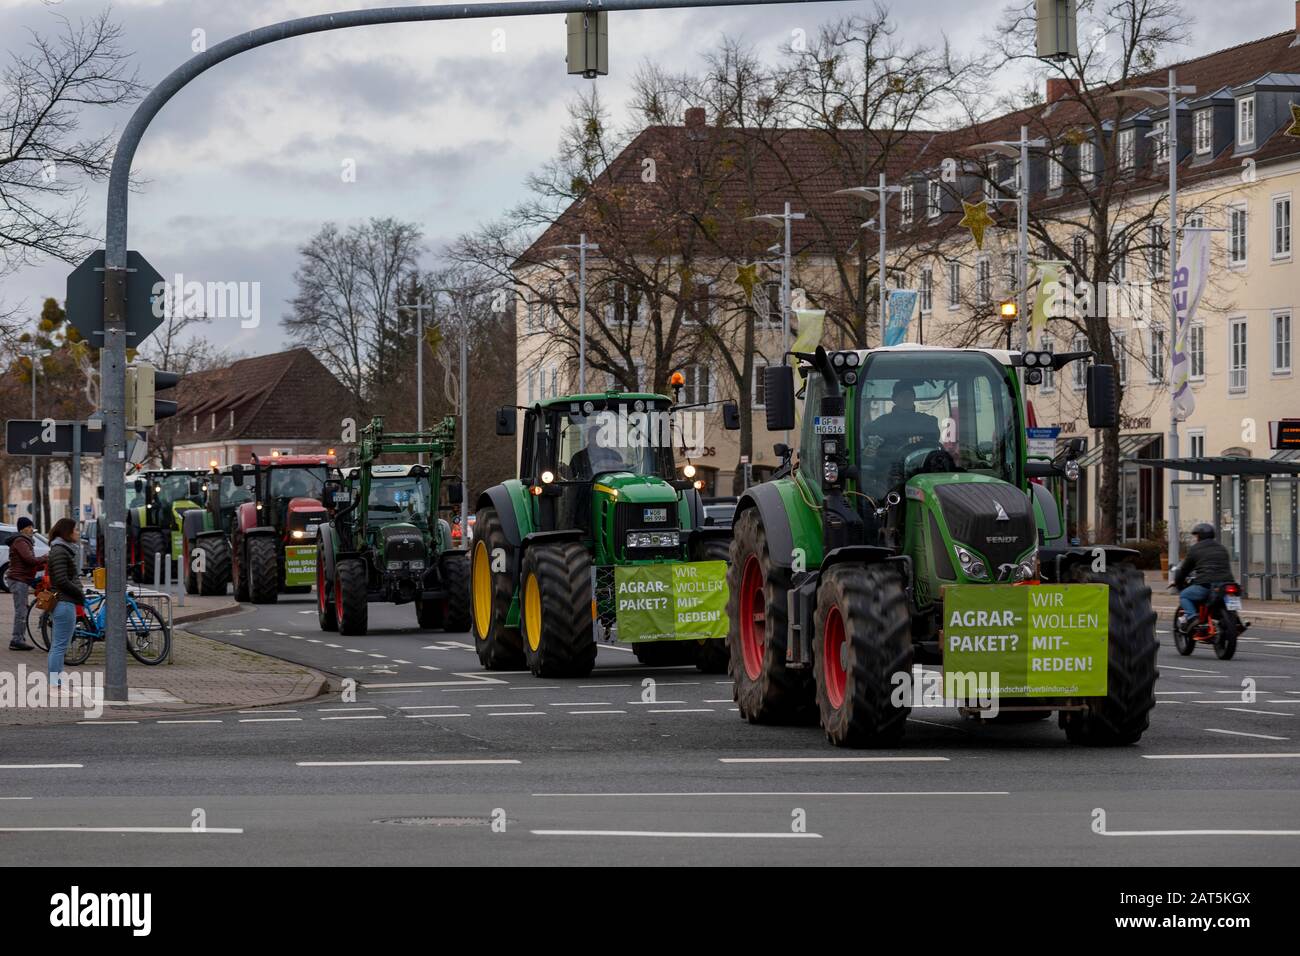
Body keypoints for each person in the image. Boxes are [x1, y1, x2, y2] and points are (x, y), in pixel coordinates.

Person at [1173, 522, 1234, 634]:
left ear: (1200, 536)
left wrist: (1178, 582)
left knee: (1184, 595)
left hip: (1207, 584)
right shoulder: (1222, 548)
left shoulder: (1195, 549)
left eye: (1196, 536)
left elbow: (1185, 569)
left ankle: (1192, 618)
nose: (1195, 538)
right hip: (1227, 583)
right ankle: (1235, 619)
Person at [45, 517, 85, 687]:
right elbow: (62, 580)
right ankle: (55, 683)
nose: (77, 533)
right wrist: (79, 593)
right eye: (75, 530)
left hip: (63, 602)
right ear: (67, 532)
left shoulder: (60, 549)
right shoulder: (60, 551)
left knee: (59, 645)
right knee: (60, 646)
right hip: (64, 602)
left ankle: (56, 681)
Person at [5, 516, 47, 650]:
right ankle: (17, 640)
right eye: (28, 527)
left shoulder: (25, 541)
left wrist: (44, 564)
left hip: (22, 579)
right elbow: (30, 560)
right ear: (22, 529)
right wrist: (46, 557)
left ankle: (19, 638)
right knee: (21, 611)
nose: (31, 529)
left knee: (23, 609)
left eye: (31, 527)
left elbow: (30, 564)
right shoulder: (20, 541)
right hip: (19, 580)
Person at [864, 382, 941, 447]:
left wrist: (922, 439)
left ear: (914, 398)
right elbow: (868, 434)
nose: (906, 398)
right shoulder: (882, 422)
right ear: (894, 399)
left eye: (909, 395)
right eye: (902, 395)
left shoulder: (927, 421)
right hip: (889, 463)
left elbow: (934, 438)